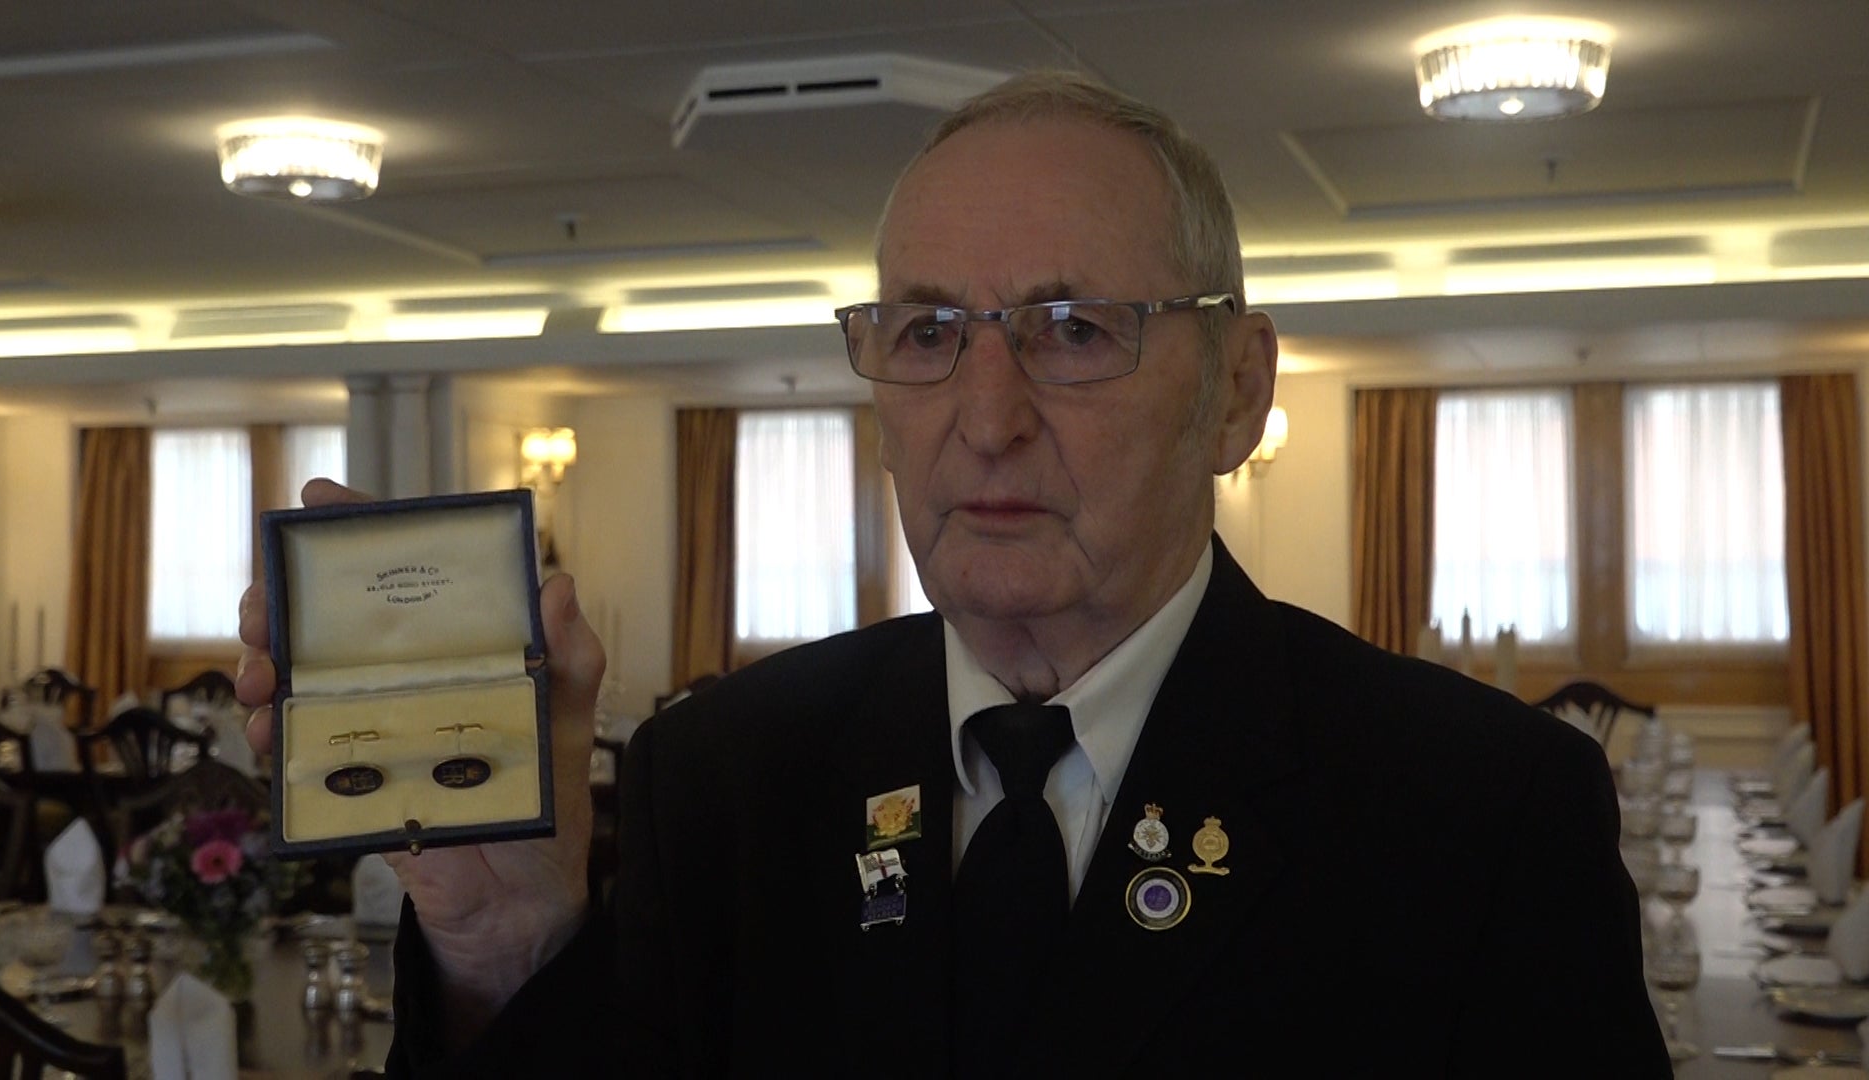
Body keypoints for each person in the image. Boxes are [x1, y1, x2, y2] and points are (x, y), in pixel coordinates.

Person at [238, 71, 1668, 1076]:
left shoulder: (1475, 813)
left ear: (1236, 391)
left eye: (1073, 327)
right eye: (928, 335)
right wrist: (501, 952)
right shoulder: (725, 781)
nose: (987, 416)